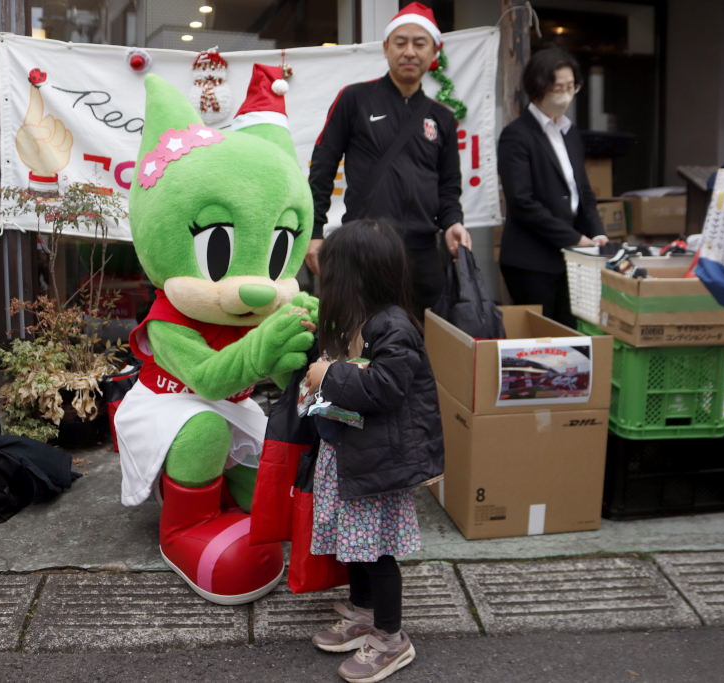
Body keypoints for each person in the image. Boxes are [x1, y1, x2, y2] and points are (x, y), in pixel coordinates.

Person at [302, 219, 444, 682]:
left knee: (377, 551)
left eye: (333, 270)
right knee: (354, 544)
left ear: (356, 275)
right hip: (351, 453)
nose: (324, 277)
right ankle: (363, 612)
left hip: (377, 462)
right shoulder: (357, 319)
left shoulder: (394, 326)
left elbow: (385, 388)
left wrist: (329, 375)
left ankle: (390, 636)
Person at [307, 2, 471, 321]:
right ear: (385, 48)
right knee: (360, 340)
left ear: (434, 51)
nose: (409, 51)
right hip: (365, 246)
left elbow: (449, 184)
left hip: (424, 251)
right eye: (400, 42)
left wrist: (453, 221)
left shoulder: (442, 117)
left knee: (424, 343)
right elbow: (323, 167)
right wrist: (315, 231)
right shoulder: (354, 99)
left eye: (420, 43)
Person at [498, 48, 607, 329]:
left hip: (571, 259)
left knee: (570, 334)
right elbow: (522, 202)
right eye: (558, 88)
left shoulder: (570, 132)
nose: (566, 95)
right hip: (531, 260)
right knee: (540, 341)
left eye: (571, 87)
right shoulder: (517, 135)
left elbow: (583, 191)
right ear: (537, 89)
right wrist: (575, 239)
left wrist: (597, 233)